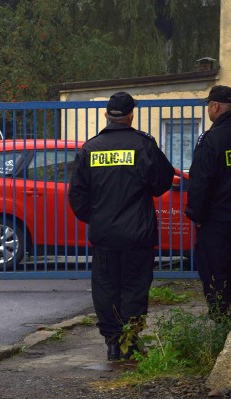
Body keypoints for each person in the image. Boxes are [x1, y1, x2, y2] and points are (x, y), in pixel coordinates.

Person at [69, 92, 174, 361]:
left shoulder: (90, 148)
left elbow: (78, 196)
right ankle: (130, 340)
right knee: (135, 288)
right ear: (130, 115)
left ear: (106, 114)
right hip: (138, 234)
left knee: (106, 287)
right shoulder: (144, 145)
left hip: (105, 234)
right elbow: (163, 181)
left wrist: (97, 218)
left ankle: (113, 343)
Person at [185, 85, 231, 320]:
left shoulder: (212, 139)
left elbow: (200, 182)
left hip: (216, 223)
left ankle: (222, 321)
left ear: (215, 106)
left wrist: (196, 216)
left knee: (216, 275)